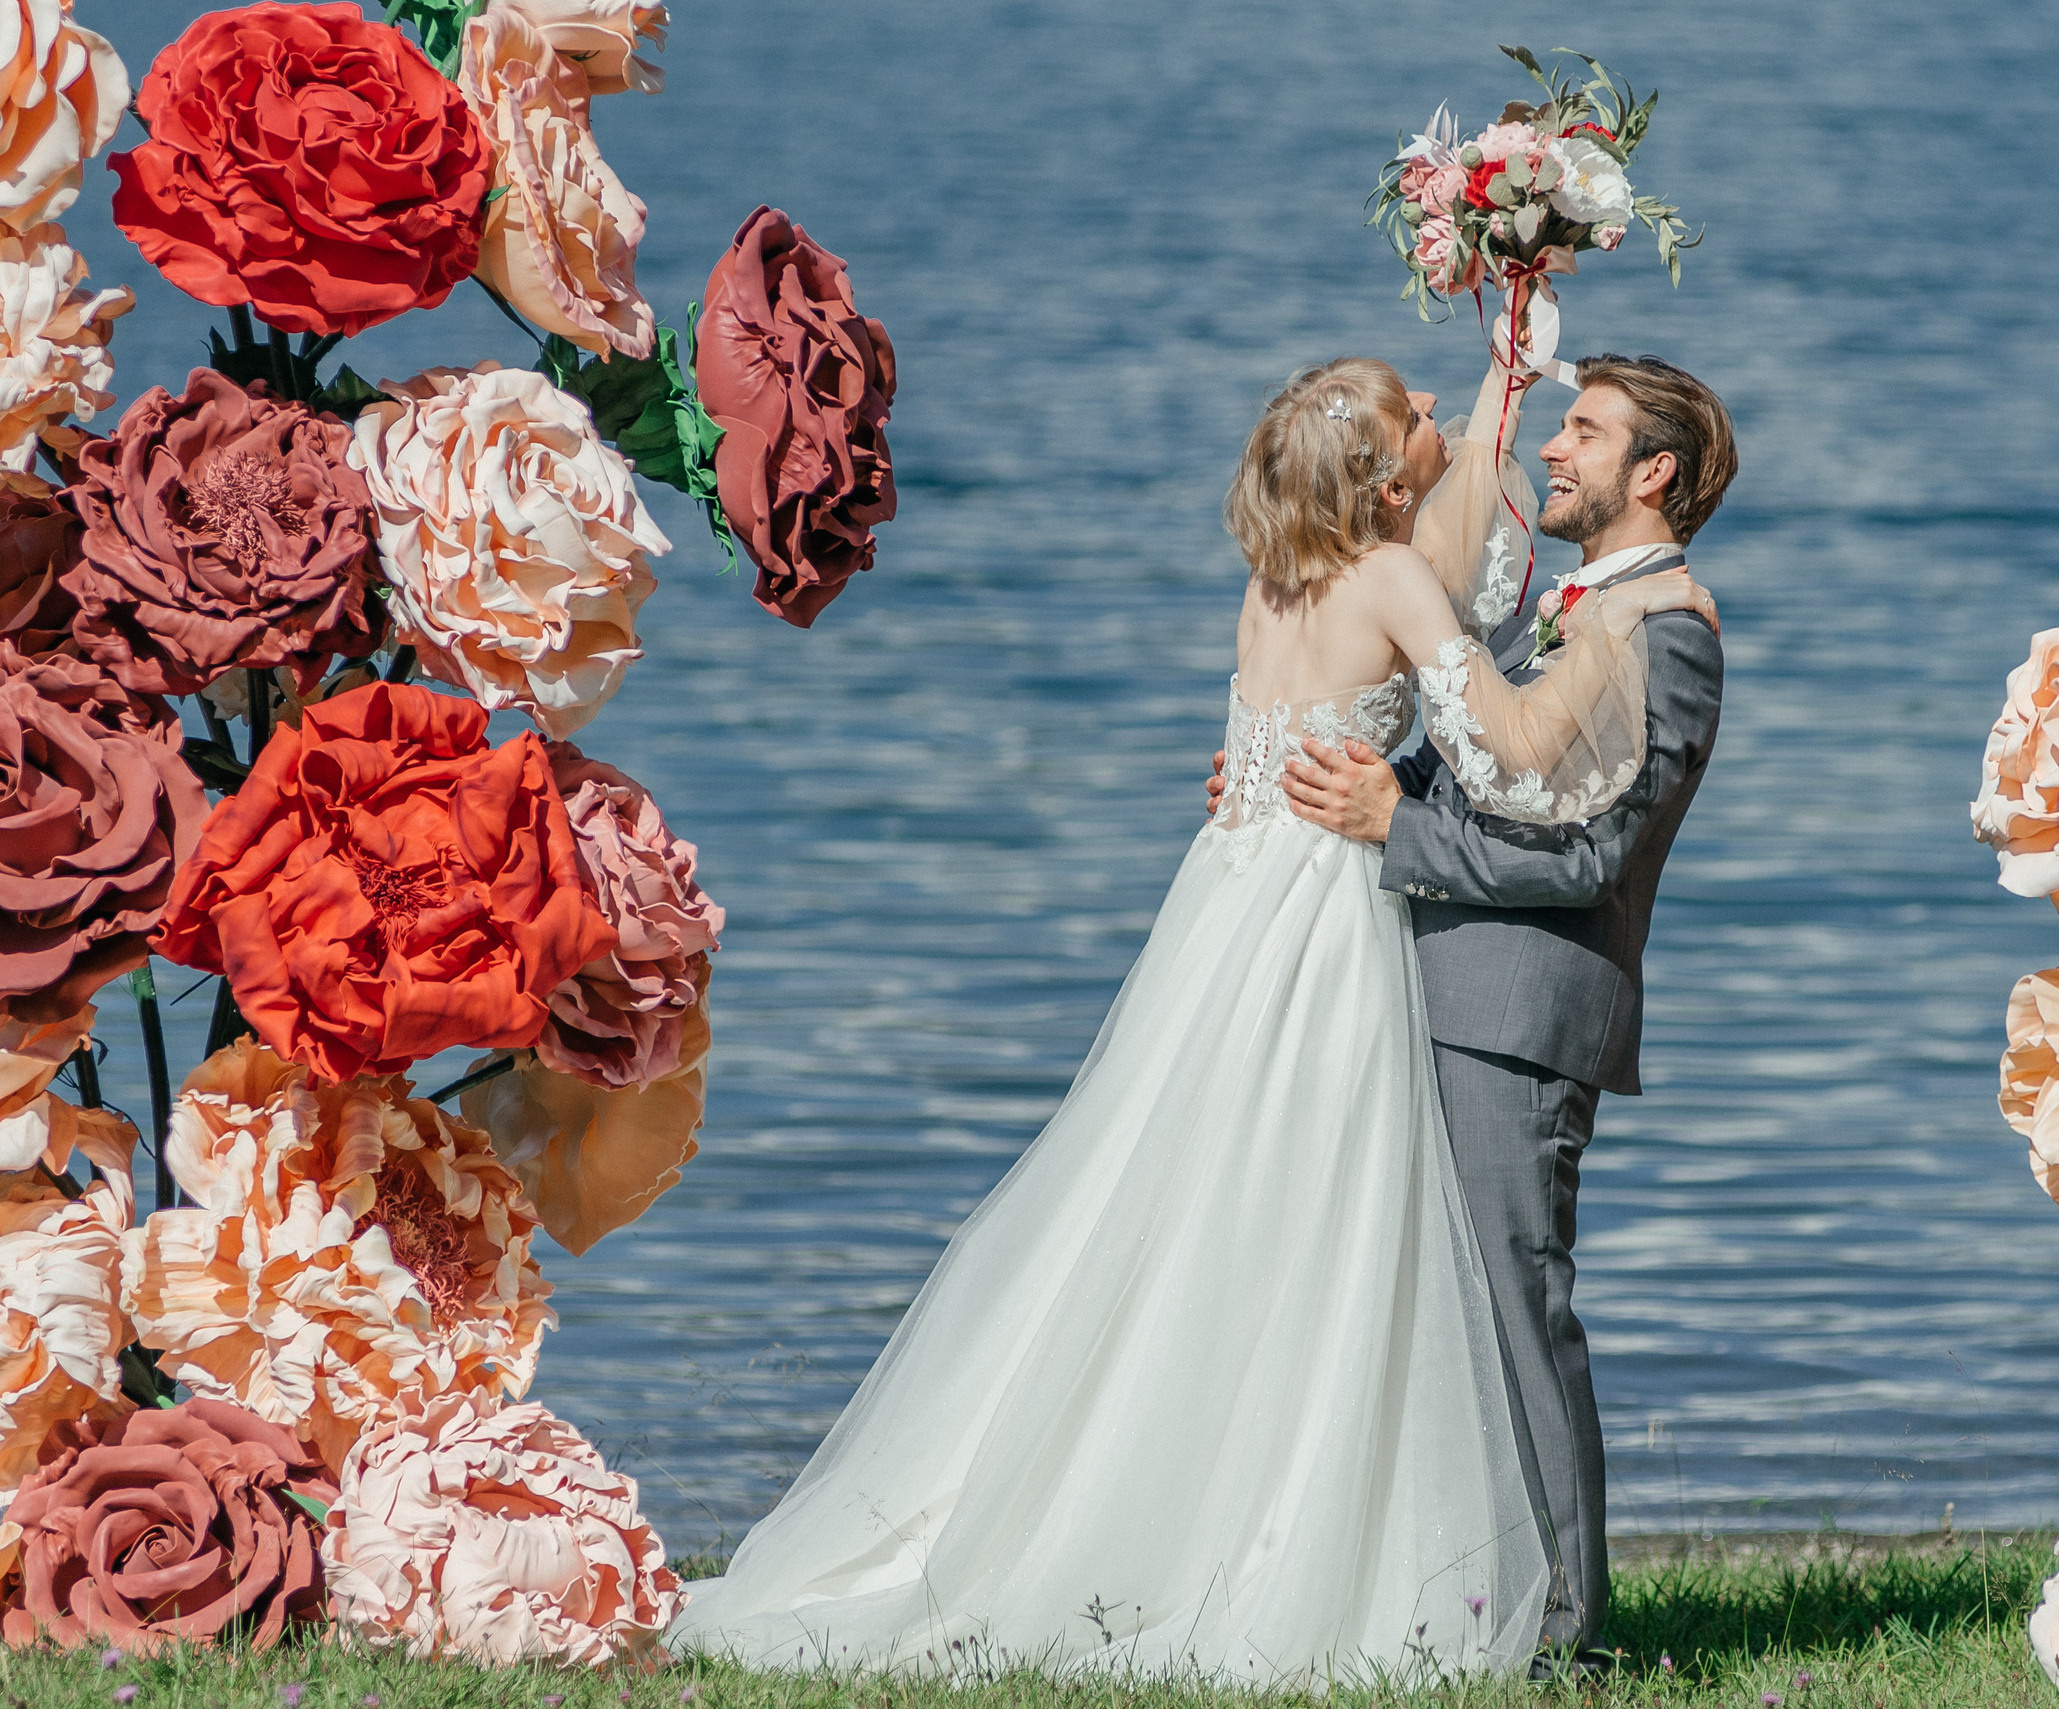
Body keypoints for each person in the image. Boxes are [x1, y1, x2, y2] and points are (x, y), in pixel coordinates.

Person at [669, 346, 1715, 1679]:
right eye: (1419, 419)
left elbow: (1364, 684)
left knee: (1203, 1205)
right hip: (1331, 913)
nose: (1439, 424)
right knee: (1332, 1230)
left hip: (1232, 899)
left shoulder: (1276, 583)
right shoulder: (1400, 578)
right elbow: (1504, 740)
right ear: (1381, 469)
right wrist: (1597, 649)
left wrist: (1497, 425)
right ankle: (1318, 1546)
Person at [1210, 352, 1733, 1666]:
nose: (1552, 450)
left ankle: (1568, 1628)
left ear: (1651, 474)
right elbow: (1482, 758)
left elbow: (1595, 855)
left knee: (1518, 1301)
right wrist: (1320, 763)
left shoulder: (1668, 629)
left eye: (1584, 431)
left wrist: (1394, 831)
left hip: (1519, 1004)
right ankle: (1461, 1589)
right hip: (1426, 979)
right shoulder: (1576, 603)